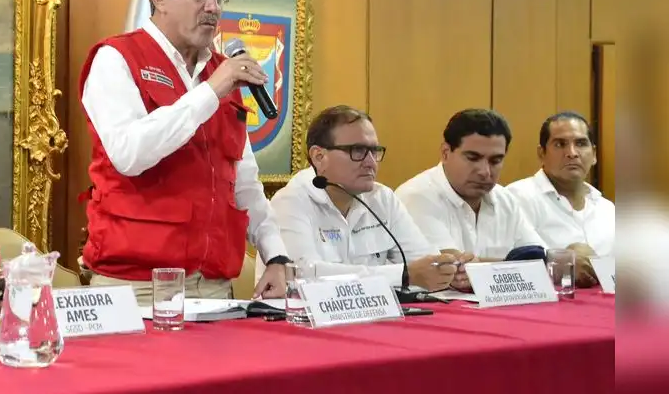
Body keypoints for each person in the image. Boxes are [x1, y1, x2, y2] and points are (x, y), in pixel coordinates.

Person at [78, 0, 289, 304]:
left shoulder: (220, 70)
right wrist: (210, 92)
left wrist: (276, 255)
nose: (213, 7)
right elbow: (129, 154)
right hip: (138, 286)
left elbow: (243, 181)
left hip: (213, 285)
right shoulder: (117, 58)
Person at [260, 106, 462, 291]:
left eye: (374, 151)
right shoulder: (290, 202)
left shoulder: (382, 198)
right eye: (357, 151)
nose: (370, 162)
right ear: (319, 157)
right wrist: (401, 275)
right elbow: (301, 276)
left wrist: (451, 270)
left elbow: (424, 265)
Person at [395, 109, 544, 263]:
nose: (485, 172)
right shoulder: (415, 197)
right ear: (445, 153)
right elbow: (451, 267)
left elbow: (539, 259)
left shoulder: (506, 200)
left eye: (495, 161)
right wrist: (517, 265)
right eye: (473, 158)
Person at [507, 112, 615, 287]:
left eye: (581, 143)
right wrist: (560, 262)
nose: (572, 153)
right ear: (541, 153)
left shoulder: (607, 209)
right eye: (560, 144)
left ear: (594, 154)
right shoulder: (516, 198)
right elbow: (509, 264)